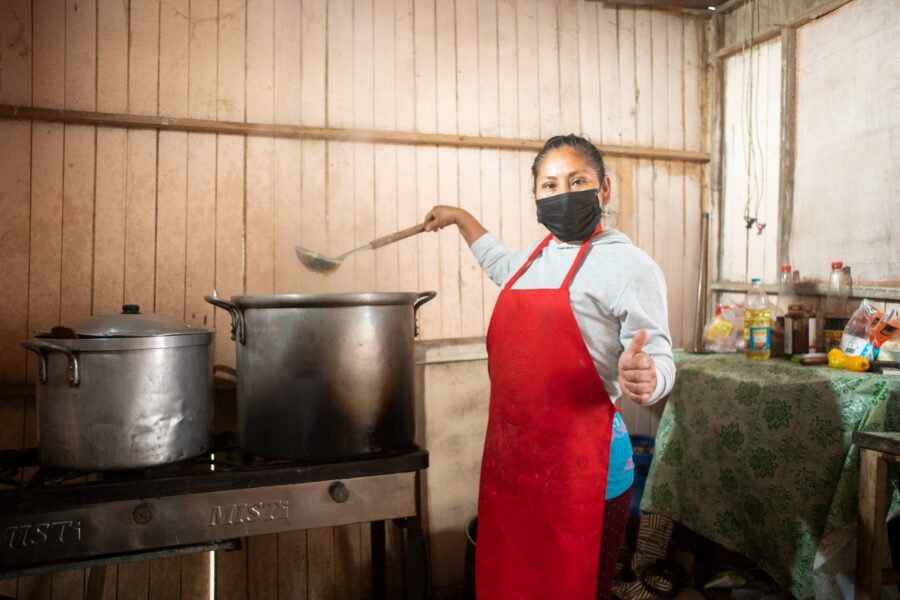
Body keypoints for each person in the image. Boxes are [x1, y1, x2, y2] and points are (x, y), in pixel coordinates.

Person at [424, 134, 675, 600]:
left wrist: (651, 376)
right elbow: (497, 261)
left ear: (604, 190)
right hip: (514, 466)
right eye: (550, 185)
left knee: (578, 588)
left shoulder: (630, 267)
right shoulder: (532, 261)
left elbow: (659, 356)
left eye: (577, 181)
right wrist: (459, 217)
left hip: (587, 470)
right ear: (536, 197)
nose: (563, 195)